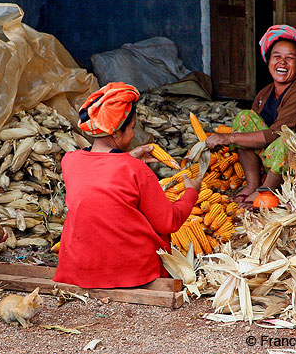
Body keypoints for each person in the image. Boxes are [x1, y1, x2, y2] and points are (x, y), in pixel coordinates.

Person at [53, 82, 203, 288]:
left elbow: (100, 177)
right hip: (132, 273)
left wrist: (129, 157)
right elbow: (169, 222)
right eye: (132, 128)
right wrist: (191, 192)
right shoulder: (136, 170)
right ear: (115, 133)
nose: (133, 135)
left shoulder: (69, 161)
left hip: (79, 269)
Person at [206, 24, 296, 206]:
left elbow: (274, 135)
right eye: (277, 57)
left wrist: (228, 138)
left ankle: (267, 192)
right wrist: (235, 137)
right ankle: (253, 185)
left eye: (290, 58)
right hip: (276, 158)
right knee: (244, 119)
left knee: (286, 139)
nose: (282, 62)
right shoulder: (266, 93)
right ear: (268, 60)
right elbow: (250, 132)